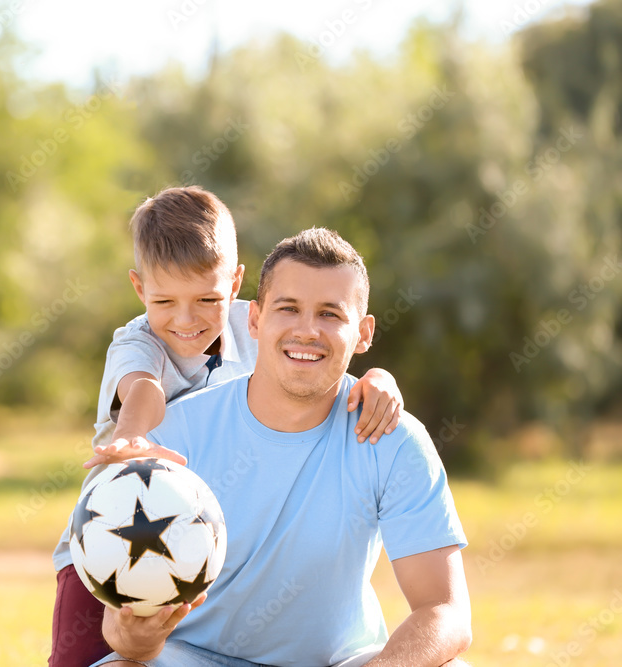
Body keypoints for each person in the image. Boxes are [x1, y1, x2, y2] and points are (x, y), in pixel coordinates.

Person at [48, 188, 407, 667]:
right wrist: (131, 436)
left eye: (207, 298)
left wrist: (376, 378)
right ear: (139, 289)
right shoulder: (137, 343)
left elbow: (316, 364)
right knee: (87, 658)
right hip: (111, 533)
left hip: (203, 534)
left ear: (237, 284)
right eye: (164, 301)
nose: (186, 319)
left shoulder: (260, 325)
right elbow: (144, 392)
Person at [92, 227, 473, 667]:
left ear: (364, 333)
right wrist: (137, 638)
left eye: (330, 314)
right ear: (254, 320)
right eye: (288, 308)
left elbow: (444, 612)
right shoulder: (173, 436)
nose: (307, 330)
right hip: (189, 657)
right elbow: (122, 635)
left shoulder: (392, 437)